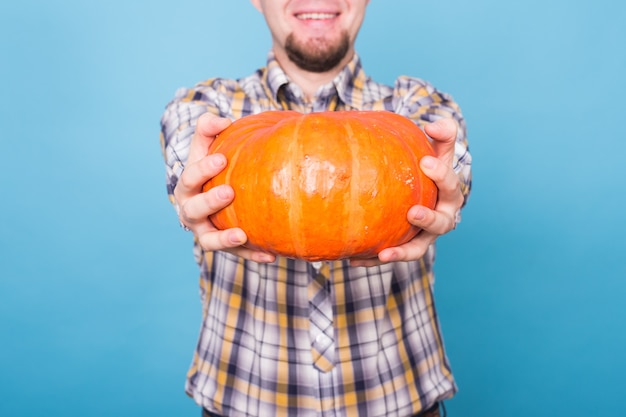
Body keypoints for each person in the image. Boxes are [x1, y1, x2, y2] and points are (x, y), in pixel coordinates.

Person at [160, 1, 472, 416]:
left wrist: (452, 195)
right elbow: (187, 156)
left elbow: (455, 164)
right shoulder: (206, 106)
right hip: (245, 401)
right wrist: (191, 196)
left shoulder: (418, 105)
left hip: (399, 401)